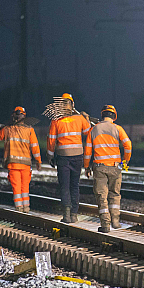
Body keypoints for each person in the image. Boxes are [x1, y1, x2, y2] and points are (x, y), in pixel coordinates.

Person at [84, 105, 132, 233]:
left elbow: (87, 152)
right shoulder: (118, 128)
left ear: (102, 115)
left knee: (102, 196)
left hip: (99, 168)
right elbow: (128, 145)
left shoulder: (93, 129)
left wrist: (86, 166)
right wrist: (125, 161)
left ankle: (105, 224)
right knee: (115, 194)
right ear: (114, 117)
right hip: (115, 166)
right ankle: (115, 221)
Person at [46, 93, 91, 223]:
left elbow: (51, 140)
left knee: (64, 186)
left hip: (63, 157)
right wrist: (86, 119)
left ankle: (66, 215)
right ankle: (74, 215)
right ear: (72, 105)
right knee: (74, 185)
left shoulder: (56, 120)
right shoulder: (79, 118)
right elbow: (88, 132)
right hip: (77, 156)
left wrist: (50, 155)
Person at [0, 107, 41, 213]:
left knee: (16, 186)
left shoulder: (7, 129)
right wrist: (38, 161)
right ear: (24, 116)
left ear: (13, 116)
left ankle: (19, 207)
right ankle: (26, 207)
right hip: (26, 164)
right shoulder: (29, 130)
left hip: (13, 164)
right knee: (25, 186)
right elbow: (35, 147)